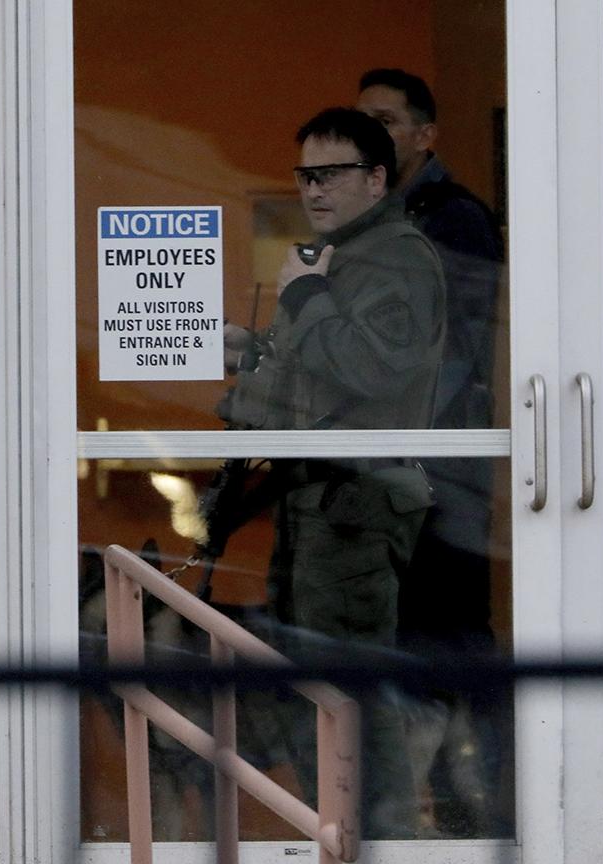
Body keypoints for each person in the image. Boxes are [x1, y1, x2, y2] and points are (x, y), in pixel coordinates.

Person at [221, 107, 445, 838]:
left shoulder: (395, 256)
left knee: (345, 693)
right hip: (318, 498)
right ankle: (348, 834)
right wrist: (255, 352)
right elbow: (325, 375)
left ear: (377, 179)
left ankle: (377, 842)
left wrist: (305, 297)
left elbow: (373, 368)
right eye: (304, 175)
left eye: (331, 174)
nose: (313, 190)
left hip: (354, 501)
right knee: (317, 691)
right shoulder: (343, 256)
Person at [357, 67, 507, 836]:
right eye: (363, 119)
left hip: (444, 470)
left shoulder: (453, 219)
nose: (371, 133)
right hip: (399, 469)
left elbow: (445, 347)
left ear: (425, 134)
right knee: (411, 636)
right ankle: (438, 811)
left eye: (385, 118)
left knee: (453, 635)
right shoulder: (378, 215)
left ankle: (495, 808)